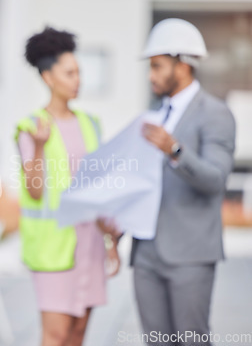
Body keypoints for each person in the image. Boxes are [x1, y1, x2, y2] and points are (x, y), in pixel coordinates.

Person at [132, 18, 236, 346]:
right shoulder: (155, 114)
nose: (151, 75)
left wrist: (174, 149)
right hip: (147, 254)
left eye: (157, 66)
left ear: (183, 65)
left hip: (189, 257)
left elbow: (216, 180)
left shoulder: (215, 113)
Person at [15, 27, 120, 346]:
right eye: (70, 73)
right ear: (48, 77)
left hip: (89, 245)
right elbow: (34, 191)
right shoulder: (32, 127)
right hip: (53, 249)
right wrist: (38, 148)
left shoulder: (90, 123)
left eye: (79, 73)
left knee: (77, 334)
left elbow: (97, 186)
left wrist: (110, 238)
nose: (78, 80)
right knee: (56, 336)